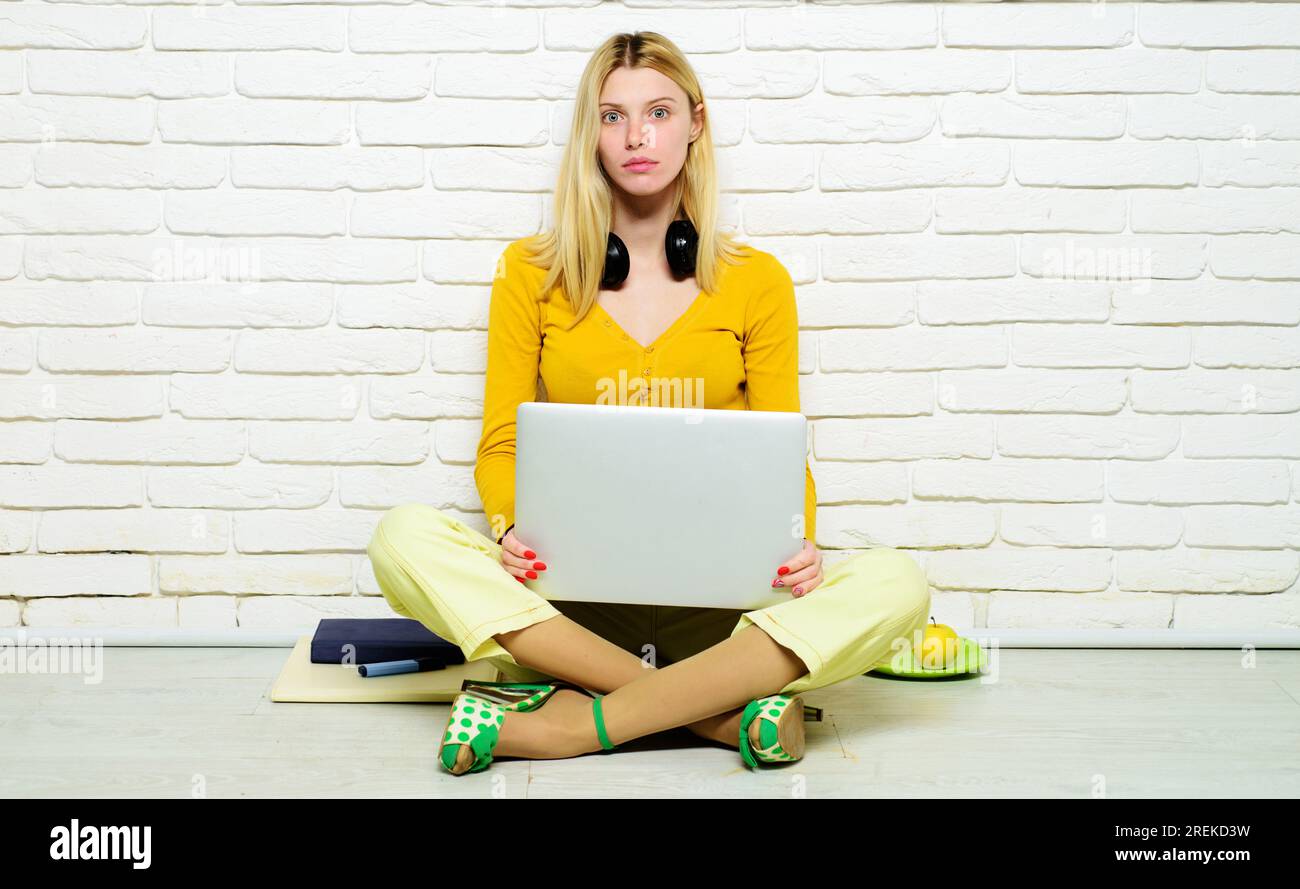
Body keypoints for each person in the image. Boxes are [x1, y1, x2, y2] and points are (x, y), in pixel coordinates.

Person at [367, 31, 931, 775]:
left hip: (727, 616)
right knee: (402, 536)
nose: (637, 136)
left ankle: (573, 723)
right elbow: (501, 442)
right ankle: (719, 711)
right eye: (613, 116)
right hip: (573, 608)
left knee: (901, 583)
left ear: (696, 121)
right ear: (590, 134)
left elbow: (784, 452)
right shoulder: (528, 273)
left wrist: (798, 548)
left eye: (659, 112)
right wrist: (506, 528)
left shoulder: (757, 281)